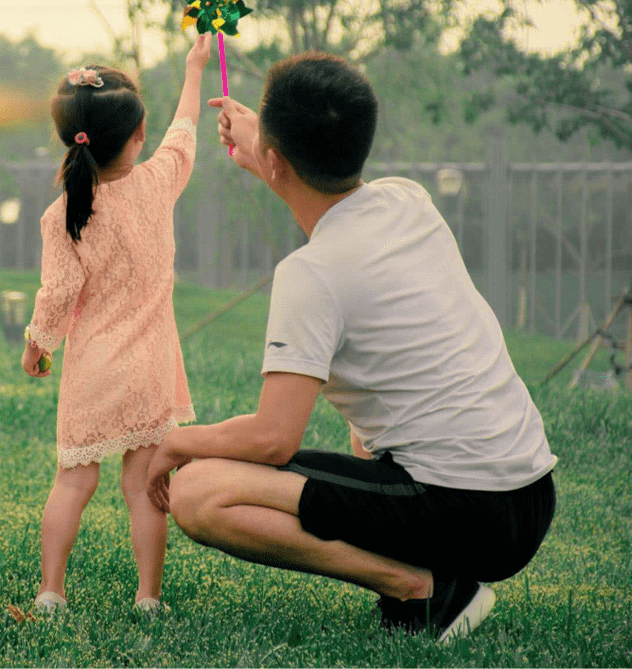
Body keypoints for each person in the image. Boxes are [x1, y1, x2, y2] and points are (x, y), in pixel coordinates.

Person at [146, 52, 557, 642]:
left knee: (198, 491)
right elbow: (326, 194)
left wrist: (176, 441)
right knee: (363, 429)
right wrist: (266, 152)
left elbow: (272, 438)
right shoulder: (407, 200)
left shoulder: (310, 275)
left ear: (277, 158)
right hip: (529, 497)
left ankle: (424, 589)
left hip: (464, 510)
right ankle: (432, 576)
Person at [21, 33, 212, 613]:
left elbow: (59, 291)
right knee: (142, 488)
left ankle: (51, 591)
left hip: (94, 372)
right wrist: (195, 68)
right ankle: (148, 597)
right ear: (138, 135)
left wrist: (38, 343)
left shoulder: (62, 214)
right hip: (150, 368)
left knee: (73, 482)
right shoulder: (158, 184)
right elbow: (186, 131)